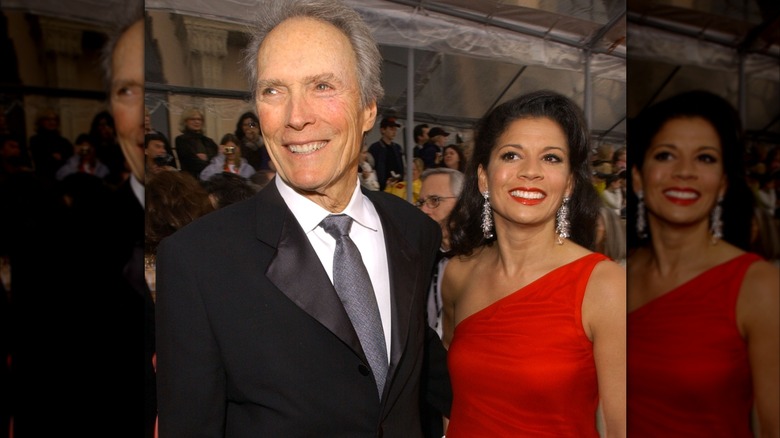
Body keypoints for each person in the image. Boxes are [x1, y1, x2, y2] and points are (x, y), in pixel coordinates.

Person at [155, 0, 451, 436]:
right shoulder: (197, 260)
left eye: (322, 86)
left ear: (368, 108)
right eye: (273, 91)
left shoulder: (414, 230)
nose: (296, 118)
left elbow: (417, 377)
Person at [441, 90, 626, 437]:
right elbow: (452, 396)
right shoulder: (459, 273)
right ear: (483, 177)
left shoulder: (605, 285)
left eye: (551, 158)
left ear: (569, 183)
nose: (530, 172)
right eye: (511, 155)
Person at [626, 90, 779, 437]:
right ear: (638, 177)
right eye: (666, 155)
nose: (685, 172)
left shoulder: (758, 286)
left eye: (705, 158)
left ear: (722, 184)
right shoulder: (617, 276)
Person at [416, 166, 463, 438]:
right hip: (428, 391)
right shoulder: (419, 258)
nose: (424, 210)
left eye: (434, 201)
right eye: (421, 202)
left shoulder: (485, 262)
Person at [174, 107, 219, 179]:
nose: (197, 122)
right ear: (185, 121)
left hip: (210, 179)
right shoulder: (181, 140)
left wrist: (207, 157)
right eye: (193, 119)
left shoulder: (209, 141)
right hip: (190, 180)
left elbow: (217, 158)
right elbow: (191, 162)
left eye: (199, 119)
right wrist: (209, 162)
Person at [368, 116, 405, 191]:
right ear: (383, 130)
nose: (394, 132)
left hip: (397, 186)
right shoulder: (375, 148)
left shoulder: (397, 148)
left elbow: (401, 166)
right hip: (381, 188)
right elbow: (372, 168)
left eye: (395, 129)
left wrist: (400, 177)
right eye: (391, 129)